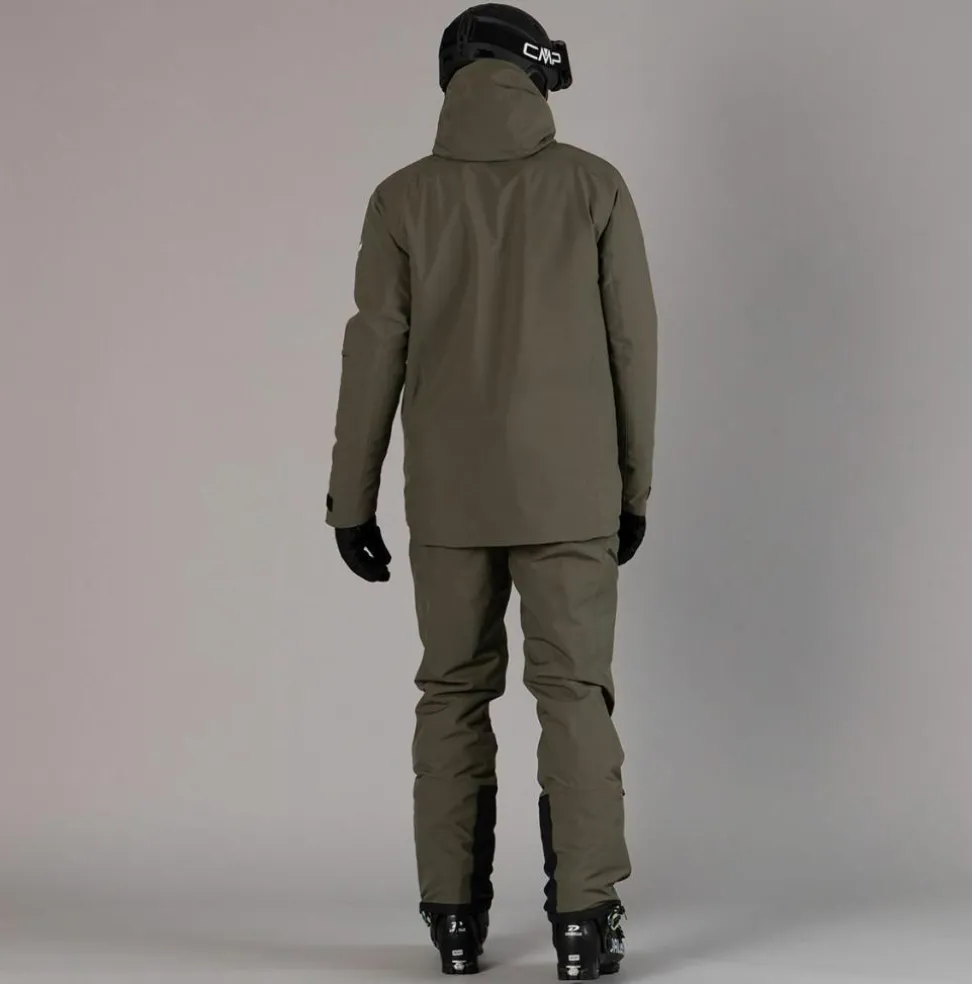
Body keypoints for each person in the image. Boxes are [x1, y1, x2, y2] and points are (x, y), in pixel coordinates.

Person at [324, 4, 658, 978]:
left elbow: (372, 352)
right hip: (572, 491)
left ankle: (455, 926)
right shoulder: (593, 186)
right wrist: (633, 488)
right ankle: (584, 927)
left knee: (452, 693)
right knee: (575, 695)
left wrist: (351, 501)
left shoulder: (402, 199)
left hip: (449, 496)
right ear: (537, 75)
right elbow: (632, 345)